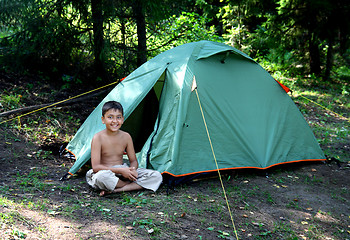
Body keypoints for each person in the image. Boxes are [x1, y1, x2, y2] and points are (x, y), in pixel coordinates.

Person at [86, 101, 162, 196]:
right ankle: (128, 185)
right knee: (100, 177)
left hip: (123, 171)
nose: (115, 121)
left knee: (157, 176)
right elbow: (96, 167)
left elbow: (133, 160)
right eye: (110, 117)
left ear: (122, 119)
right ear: (103, 120)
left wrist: (132, 170)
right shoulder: (98, 138)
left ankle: (117, 190)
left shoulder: (126, 136)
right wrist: (121, 171)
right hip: (106, 172)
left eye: (118, 117)